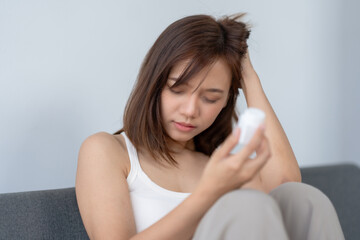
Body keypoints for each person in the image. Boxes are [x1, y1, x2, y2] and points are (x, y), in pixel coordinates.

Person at [75, 14, 344, 240]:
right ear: (154, 84)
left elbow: (284, 184)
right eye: (178, 90)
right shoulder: (108, 151)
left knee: (303, 199)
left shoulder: (219, 162)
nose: (191, 110)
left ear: (227, 99)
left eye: (211, 97)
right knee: (246, 204)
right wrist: (210, 193)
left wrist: (248, 77)